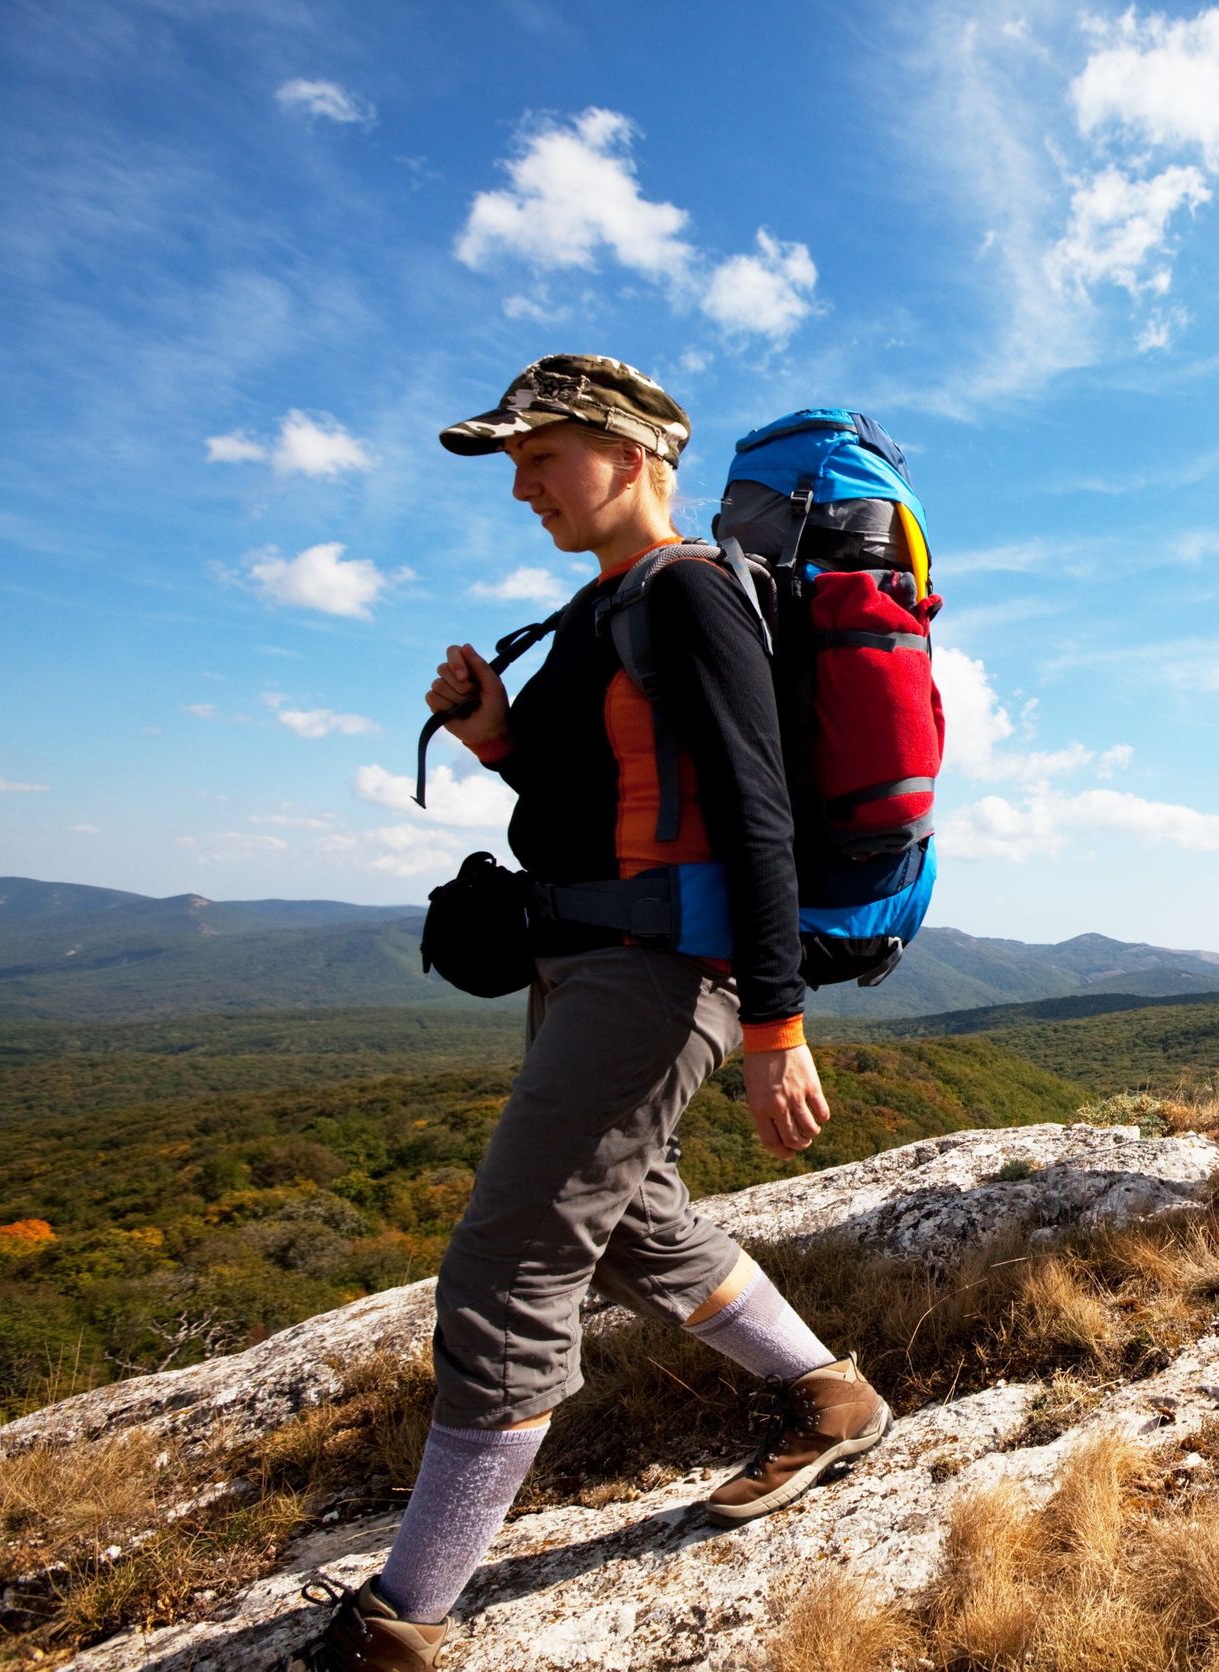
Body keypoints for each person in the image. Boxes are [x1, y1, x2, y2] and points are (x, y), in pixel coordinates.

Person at [300, 357, 889, 1671]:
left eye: (540, 458)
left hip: (663, 975)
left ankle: (406, 1622)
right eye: (513, 465)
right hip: (590, 961)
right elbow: (592, 789)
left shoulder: (688, 596)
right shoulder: (601, 606)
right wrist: (494, 732)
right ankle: (831, 1398)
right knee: (629, 1221)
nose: (521, 487)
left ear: (632, 457)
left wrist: (778, 1025)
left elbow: (755, 813)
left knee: (509, 1264)